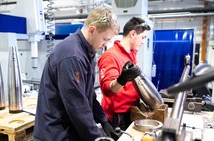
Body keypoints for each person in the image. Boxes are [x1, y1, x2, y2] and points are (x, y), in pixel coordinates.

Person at [34, 7, 120, 141]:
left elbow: (88, 96)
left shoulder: (86, 52)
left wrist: (104, 120)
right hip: (56, 134)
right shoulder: (72, 56)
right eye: (105, 39)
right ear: (92, 30)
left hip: (69, 130)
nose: (105, 45)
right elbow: (77, 107)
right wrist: (98, 138)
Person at [98, 17, 151, 130]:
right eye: (143, 37)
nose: (143, 42)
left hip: (131, 110)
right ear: (132, 34)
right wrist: (122, 79)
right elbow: (107, 90)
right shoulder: (111, 56)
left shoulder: (130, 54)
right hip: (118, 116)